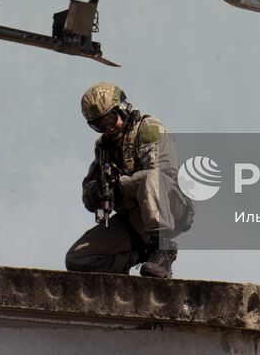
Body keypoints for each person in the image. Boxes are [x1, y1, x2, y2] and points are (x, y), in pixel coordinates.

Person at [64, 82, 194, 278]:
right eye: (98, 125)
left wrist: (121, 187)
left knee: (152, 178)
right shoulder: (103, 147)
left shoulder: (148, 129)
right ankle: (140, 255)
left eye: (109, 119)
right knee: (78, 258)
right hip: (135, 219)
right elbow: (88, 187)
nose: (106, 128)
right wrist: (97, 192)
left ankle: (163, 248)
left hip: (171, 207)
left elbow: (164, 171)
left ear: (123, 109)